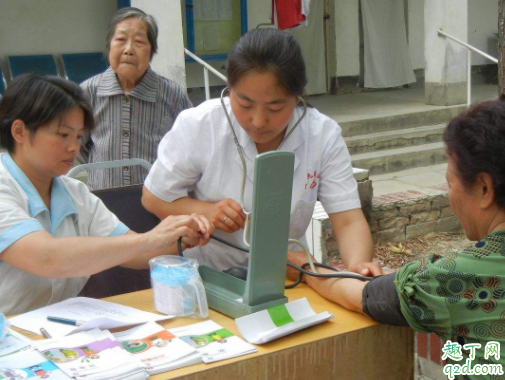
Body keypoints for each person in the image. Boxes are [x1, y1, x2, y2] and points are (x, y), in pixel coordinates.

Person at [288, 98, 505, 376]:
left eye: (450, 183)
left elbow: (363, 296)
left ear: (485, 189)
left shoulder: (457, 278)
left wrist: (296, 263)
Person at [142, 29, 380, 278]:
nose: (258, 121)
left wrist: (358, 265)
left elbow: (348, 220)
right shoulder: (200, 125)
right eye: (245, 104)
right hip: (208, 274)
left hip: (288, 275)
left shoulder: (322, 136)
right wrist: (206, 211)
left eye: (275, 107)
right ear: (229, 89)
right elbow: (154, 196)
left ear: (298, 97)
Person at [0, 74, 212, 316]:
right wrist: (151, 238)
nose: (74, 147)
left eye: (79, 136)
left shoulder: (76, 193)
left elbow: (133, 251)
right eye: (62, 134)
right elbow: (47, 257)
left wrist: (182, 235)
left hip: (51, 332)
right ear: (20, 131)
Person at [80, 7, 192, 190]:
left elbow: (187, 148)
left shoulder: (172, 94)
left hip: (158, 199)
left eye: (139, 41)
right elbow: (78, 145)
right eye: (121, 40)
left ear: (151, 51)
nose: (128, 49)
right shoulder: (88, 92)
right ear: (109, 47)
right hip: (103, 200)